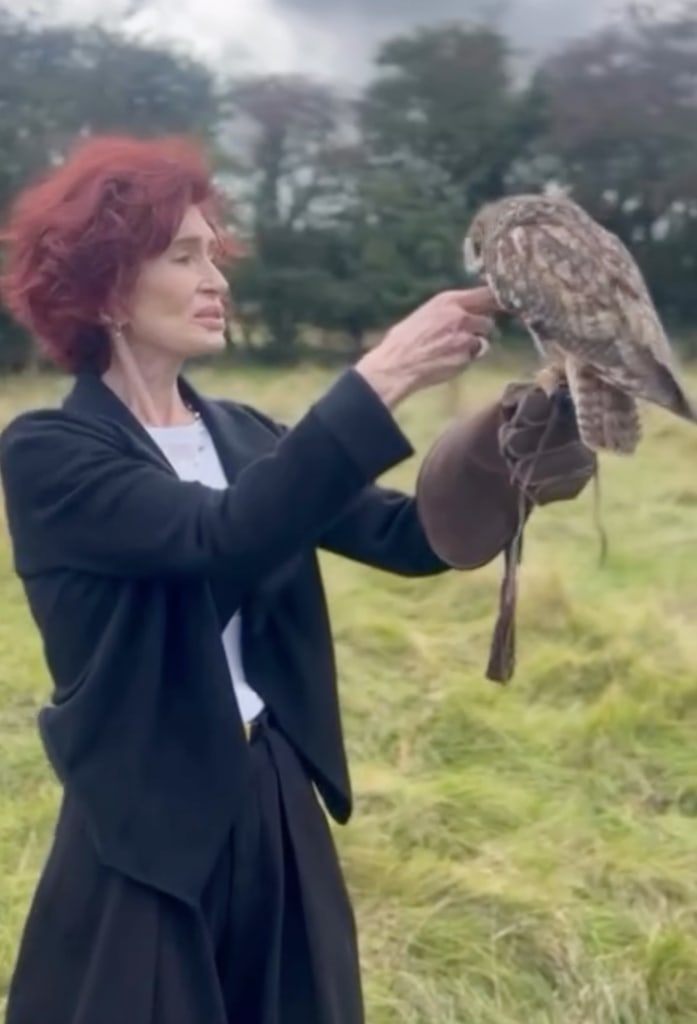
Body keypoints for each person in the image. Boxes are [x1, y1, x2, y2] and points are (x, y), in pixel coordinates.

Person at [0, 134, 595, 1024]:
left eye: (215, 255)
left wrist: (511, 449)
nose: (217, 280)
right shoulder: (49, 451)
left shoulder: (242, 432)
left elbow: (405, 538)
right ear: (107, 287)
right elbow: (220, 535)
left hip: (274, 791)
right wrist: (385, 371)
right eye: (183, 256)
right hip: (145, 817)